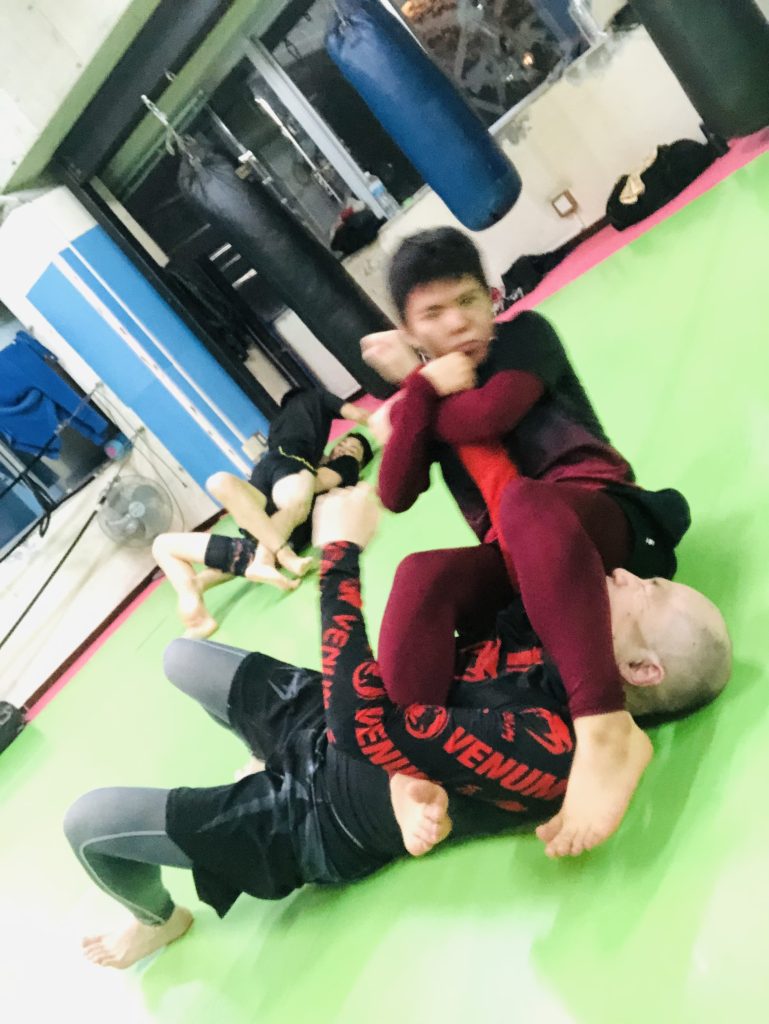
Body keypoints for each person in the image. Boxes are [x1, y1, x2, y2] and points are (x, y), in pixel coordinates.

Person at [63, 484, 731, 968]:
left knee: (89, 822)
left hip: (318, 814)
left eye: (650, 592)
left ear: (643, 669)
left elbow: (366, 728)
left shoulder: (551, 748)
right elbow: (495, 534)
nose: (626, 575)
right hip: (326, 719)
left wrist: (340, 554)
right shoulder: (548, 631)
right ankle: (263, 756)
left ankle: (156, 919)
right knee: (180, 656)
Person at [360, 226, 692, 857]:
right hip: (523, 562)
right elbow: (395, 491)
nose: (457, 322)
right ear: (409, 330)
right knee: (420, 573)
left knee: (522, 504)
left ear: (491, 297)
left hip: (605, 521)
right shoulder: (425, 398)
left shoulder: (524, 338)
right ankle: (412, 764)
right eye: (433, 313)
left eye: (468, 301)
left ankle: (605, 726)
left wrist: (415, 388)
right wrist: (420, 393)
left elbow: (487, 416)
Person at [153, 385, 373, 638]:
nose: (344, 449)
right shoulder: (300, 463)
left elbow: (316, 483)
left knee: (291, 502)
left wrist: (312, 464)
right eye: (343, 444)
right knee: (162, 544)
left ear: (359, 460)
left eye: (353, 450)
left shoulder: (344, 467)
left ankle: (264, 560)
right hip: (261, 534)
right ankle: (195, 594)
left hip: (284, 533)